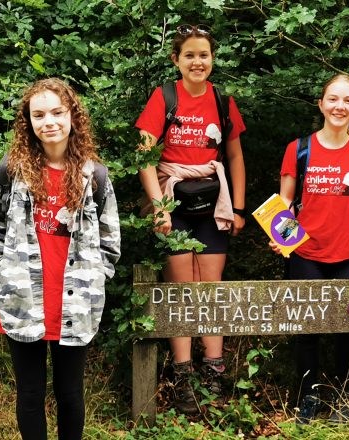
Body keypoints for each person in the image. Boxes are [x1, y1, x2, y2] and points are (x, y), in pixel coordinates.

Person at [0, 78, 121, 439]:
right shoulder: (12, 171)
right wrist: (1, 269)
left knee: (70, 394)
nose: (49, 122)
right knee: (29, 393)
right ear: (29, 121)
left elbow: (109, 240)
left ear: (73, 116)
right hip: (24, 301)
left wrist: (97, 277)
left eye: (57, 112)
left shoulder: (95, 176)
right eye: (38, 114)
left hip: (76, 304)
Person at [134, 23, 247, 414]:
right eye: (190, 55)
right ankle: (183, 377)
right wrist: (159, 209)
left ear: (212, 59)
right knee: (182, 290)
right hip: (173, 200)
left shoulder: (222, 100)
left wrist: (239, 208)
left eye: (204, 55)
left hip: (214, 201)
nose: (198, 62)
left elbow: (234, 157)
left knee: (211, 288)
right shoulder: (165, 97)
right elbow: (145, 156)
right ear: (176, 60)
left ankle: (213, 372)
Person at [270, 73, 349, 425]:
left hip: (347, 256)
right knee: (307, 331)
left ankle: (342, 396)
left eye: (348, 100)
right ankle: (308, 397)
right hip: (305, 254)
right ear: (321, 104)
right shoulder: (299, 149)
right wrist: (283, 237)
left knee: (348, 330)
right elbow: (285, 201)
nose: (340, 106)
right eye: (333, 99)